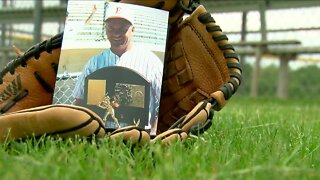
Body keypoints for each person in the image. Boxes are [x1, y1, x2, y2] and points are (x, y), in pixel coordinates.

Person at [72, 5, 163, 132]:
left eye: (122, 28)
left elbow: (167, 102)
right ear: (105, 29)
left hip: (139, 136)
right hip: (100, 135)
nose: (116, 33)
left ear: (133, 29)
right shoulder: (94, 63)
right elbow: (80, 101)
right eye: (111, 28)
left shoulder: (151, 62)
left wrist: (153, 132)